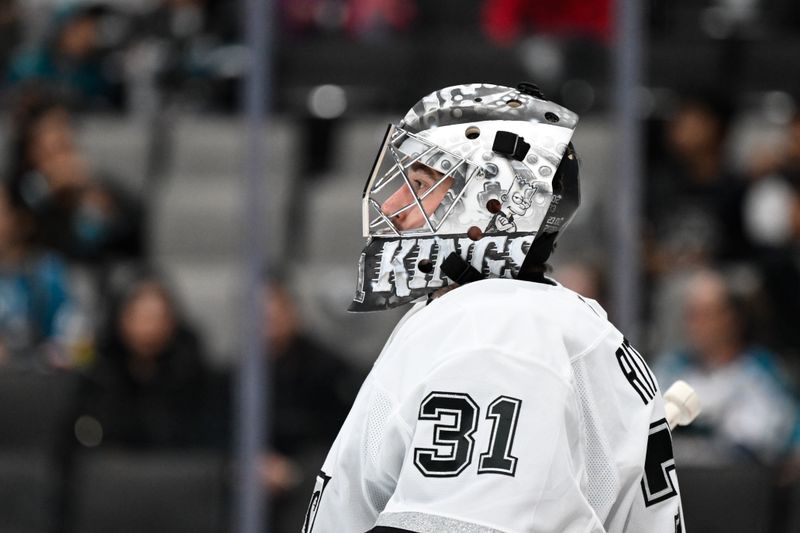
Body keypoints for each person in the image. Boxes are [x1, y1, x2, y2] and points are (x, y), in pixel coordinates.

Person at [303, 83, 685, 532]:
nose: (392, 205)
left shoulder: (495, 334)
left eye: (420, 183)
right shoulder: (523, 320)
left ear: (493, 204)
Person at [653, 269, 798, 464]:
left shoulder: (762, 371)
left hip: (744, 485)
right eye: (692, 315)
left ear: (731, 317)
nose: (697, 324)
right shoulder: (668, 370)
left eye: (707, 314)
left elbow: (790, 431)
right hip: (679, 485)